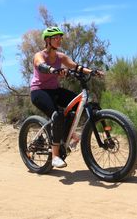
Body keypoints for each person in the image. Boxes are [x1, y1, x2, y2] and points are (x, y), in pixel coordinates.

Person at [30, 26, 103, 168]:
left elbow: (75, 66)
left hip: (55, 90)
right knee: (57, 116)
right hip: (39, 91)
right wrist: (54, 70)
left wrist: (92, 72)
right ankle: (55, 156)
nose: (59, 40)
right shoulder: (39, 55)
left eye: (60, 38)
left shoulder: (60, 56)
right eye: (55, 38)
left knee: (78, 105)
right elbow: (41, 66)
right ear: (47, 40)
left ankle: (68, 136)